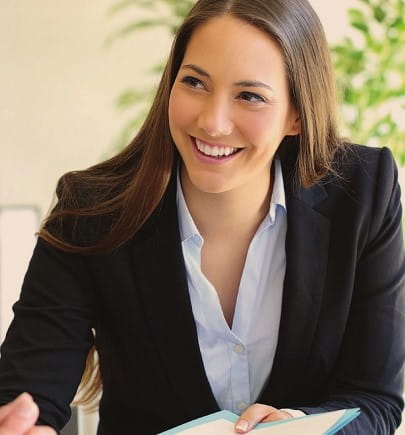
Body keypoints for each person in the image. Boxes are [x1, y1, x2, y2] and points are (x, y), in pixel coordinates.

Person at [0, 0, 404, 433]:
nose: (212, 122)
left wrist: (301, 425)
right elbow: (28, 395)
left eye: (250, 96)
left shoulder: (362, 191)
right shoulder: (90, 210)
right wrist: (27, 426)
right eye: (194, 82)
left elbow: (375, 398)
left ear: (297, 115)